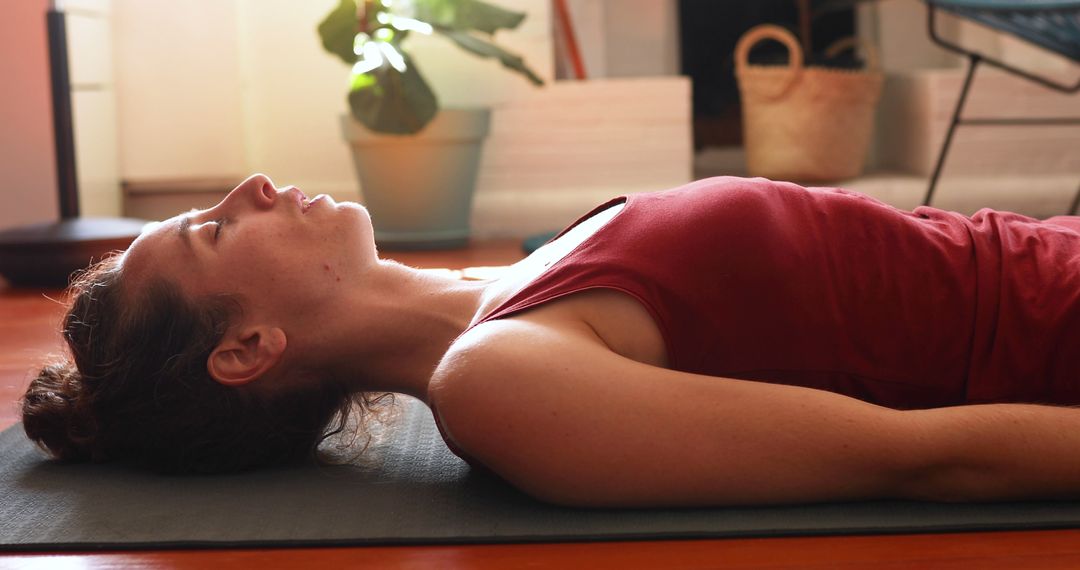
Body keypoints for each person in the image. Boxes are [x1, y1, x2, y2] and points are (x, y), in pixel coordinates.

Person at [20, 174, 1080, 507]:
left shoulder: (513, 278)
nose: (249, 186)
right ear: (247, 348)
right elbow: (917, 454)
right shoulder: (503, 380)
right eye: (214, 231)